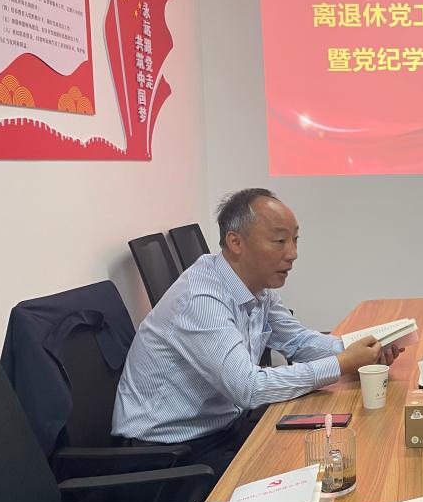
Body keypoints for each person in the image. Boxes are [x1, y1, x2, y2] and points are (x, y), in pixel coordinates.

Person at [112, 188, 401, 477]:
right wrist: (341, 364)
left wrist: (360, 350)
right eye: (279, 241)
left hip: (222, 429)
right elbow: (248, 388)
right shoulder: (201, 299)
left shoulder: (256, 287)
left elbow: (297, 341)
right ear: (235, 242)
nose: (293, 253)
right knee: (309, 473)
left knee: (332, 452)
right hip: (166, 455)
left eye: (295, 239)